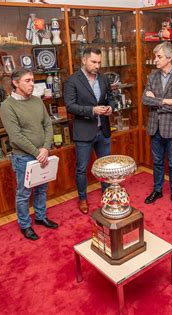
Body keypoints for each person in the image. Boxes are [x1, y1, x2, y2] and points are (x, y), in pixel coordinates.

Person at [0, 69, 58, 241]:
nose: (32, 84)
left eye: (33, 80)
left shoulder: (37, 101)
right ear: (16, 83)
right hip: (24, 157)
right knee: (23, 194)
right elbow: (16, 136)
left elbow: (48, 124)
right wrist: (36, 152)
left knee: (42, 188)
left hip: (42, 153)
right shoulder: (7, 106)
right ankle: (25, 225)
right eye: (27, 80)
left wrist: (46, 148)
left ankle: (40, 217)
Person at [64, 47, 114, 215]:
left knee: (105, 168)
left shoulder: (103, 78)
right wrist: (93, 110)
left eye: (99, 62)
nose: (97, 66)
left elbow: (111, 98)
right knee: (82, 168)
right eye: (94, 62)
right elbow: (70, 106)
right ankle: (83, 198)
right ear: (84, 60)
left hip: (103, 130)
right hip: (84, 132)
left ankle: (107, 195)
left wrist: (110, 108)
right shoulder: (73, 80)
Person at [142, 41, 172, 209]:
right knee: (157, 162)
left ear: (169, 58)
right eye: (156, 56)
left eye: (159, 56)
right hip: (155, 127)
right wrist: (167, 100)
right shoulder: (152, 76)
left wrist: (156, 101)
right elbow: (144, 100)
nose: (155, 59)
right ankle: (158, 190)